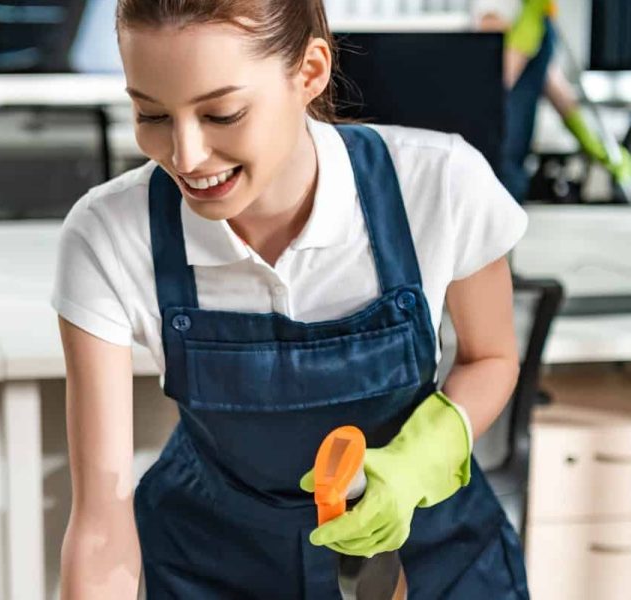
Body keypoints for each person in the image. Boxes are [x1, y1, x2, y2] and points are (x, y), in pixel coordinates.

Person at [52, 1, 529, 598]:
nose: (186, 155)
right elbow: (101, 523)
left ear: (310, 71)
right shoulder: (111, 234)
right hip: (215, 564)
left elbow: (492, 357)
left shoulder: (437, 182)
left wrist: (418, 459)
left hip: (434, 557)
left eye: (222, 113)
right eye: (151, 114)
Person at [476, 0, 631, 200]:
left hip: (500, 166)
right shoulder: (534, 20)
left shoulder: (527, 18)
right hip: (505, 168)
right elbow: (559, 94)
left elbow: (502, 82)